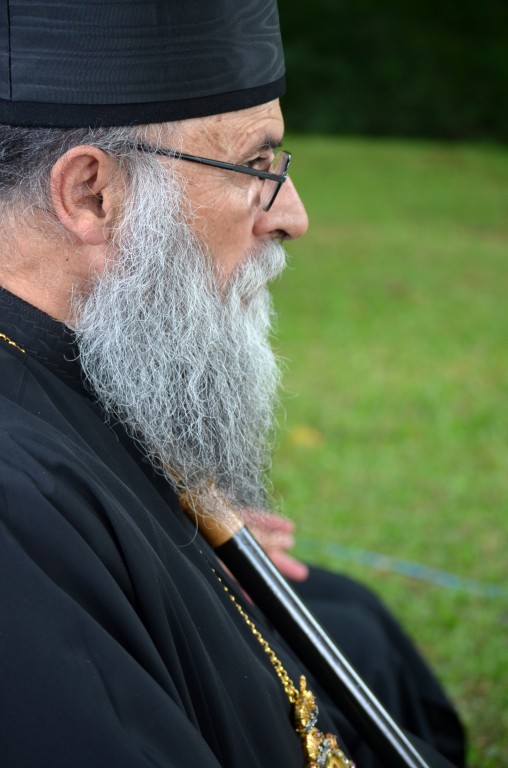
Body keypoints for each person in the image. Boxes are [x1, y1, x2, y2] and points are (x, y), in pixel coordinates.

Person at [0, 2, 466, 766]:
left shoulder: (77, 355)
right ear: (91, 194)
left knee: (354, 622)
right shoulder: (14, 502)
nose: (293, 216)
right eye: (257, 166)